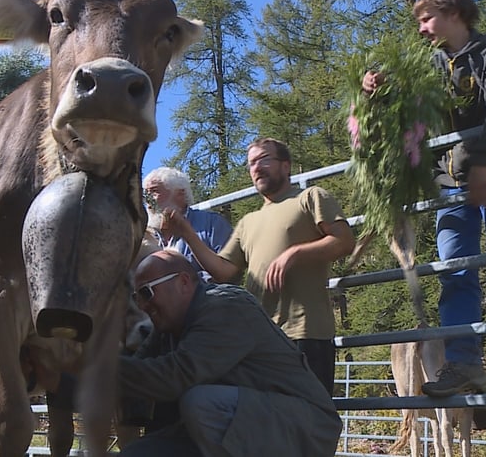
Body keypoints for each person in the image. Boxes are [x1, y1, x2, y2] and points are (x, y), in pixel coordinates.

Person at [362, 0, 486, 397]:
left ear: (453, 14)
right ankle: (464, 362)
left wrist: (481, 161)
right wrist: (375, 88)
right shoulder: (428, 67)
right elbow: (405, 109)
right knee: (454, 269)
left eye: (427, 19)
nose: (423, 29)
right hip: (447, 184)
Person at [168, 137, 355, 394]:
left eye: (263, 159)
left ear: (286, 166)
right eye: (251, 163)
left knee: (308, 421)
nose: (256, 167)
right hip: (260, 339)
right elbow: (223, 271)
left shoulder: (310, 197)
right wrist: (187, 233)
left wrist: (294, 253)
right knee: (268, 421)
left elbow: (344, 241)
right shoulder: (248, 222)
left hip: (305, 333)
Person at [117, 249, 342, 456]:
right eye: (137, 298)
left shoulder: (225, 307)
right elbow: (134, 373)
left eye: (147, 293)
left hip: (303, 429)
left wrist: (97, 368)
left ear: (183, 282)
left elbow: (175, 376)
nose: (143, 306)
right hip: (245, 424)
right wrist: (86, 368)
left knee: (200, 403)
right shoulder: (168, 327)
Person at [142, 166, 232, 278]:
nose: (148, 201)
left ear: (180, 194)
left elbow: (229, 273)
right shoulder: (144, 236)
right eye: (146, 194)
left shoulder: (212, 224)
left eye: (154, 191)